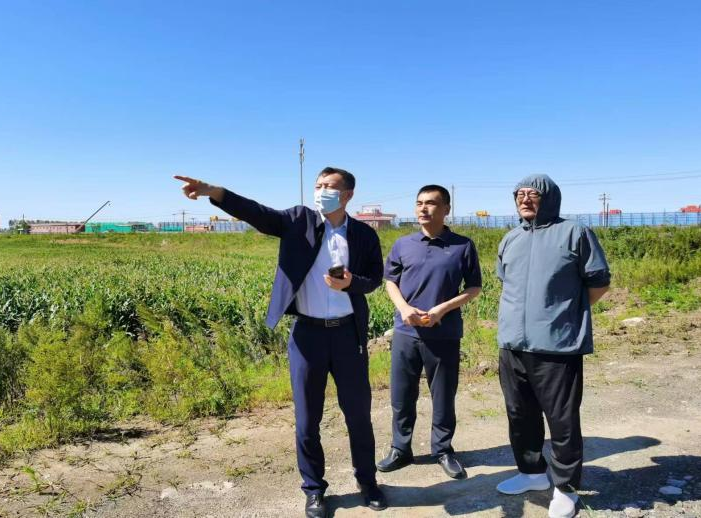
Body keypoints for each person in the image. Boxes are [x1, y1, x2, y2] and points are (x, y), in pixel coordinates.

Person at [174, 168, 387, 518]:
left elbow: (375, 279)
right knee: (307, 419)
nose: (321, 191)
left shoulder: (363, 234)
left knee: (358, 415)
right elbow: (257, 213)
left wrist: (351, 283)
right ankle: (314, 490)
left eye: (329, 186)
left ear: (347, 194)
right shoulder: (299, 220)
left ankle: (368, 482)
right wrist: (214, 191)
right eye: (318, 185)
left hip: (348, 335)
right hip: (308, 335)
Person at [494, 174, 610, 518]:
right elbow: (506, 282)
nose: (525, 199)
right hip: (512, 344)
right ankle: (531, 472)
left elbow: (598, 282)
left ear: (550, 198)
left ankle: (565, 488)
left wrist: (565, 317)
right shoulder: (510, 238)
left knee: (562, 420)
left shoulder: (574, 233)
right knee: (520, 414)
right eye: (520, 194)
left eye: (533, 194)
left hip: (557, 346)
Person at [376, 185, 482, 479]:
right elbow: (390, 281)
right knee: (401, 395)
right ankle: (400, 449)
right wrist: (403, 308)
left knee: (444, 396)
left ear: (446, 209)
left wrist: (442, 310)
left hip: (444, 333)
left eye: (431, 203)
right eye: (419, 203)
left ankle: (443, 450)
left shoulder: (462, 246)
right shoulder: (403, 244)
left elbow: (474, 287)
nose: (424, 208)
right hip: (406, 332)